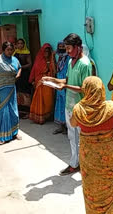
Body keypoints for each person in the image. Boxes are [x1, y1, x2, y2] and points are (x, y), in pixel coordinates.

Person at [70, 76, 113, 213]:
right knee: (110, 188)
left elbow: (73, 123)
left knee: (91, 189)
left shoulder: (79, 110)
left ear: (86, 90)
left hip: (88, 156)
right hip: (109, 154)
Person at [43, 33, 92, 175]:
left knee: (82, 138)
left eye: (69, 48)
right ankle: (74, 163)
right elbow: (67, 80)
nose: (67, 51)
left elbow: (84, 88)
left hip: (80, 107)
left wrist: (65, 87)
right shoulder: (71, 62)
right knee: (72, 137)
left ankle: (85, 165)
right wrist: (51, 80)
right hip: (69, 105)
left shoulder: (85, 64)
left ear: (77, 47)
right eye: (66, 48)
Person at [0, 41, 22, 145]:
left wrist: (18, 74)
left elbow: (20, 67)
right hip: (2, 89)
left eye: (11, 50)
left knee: (14, 111)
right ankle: (3, 137)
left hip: (12, 88)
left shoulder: (14, 59)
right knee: (3, 112)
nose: (10, 52)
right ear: (3, 50)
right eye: (8, 50)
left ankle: (15, 132)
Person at [28, 43, 56, 124]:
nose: (46, 52)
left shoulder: (51, 60)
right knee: (40, 100)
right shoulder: (39, 59)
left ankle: (48, 116)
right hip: (39, 82)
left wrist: (52, 59)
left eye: (48, 51)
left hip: (48, 82)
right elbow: (34, 69)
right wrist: (32, 80)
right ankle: (40, 117)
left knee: (48, 100)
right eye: (45, 51)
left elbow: (54, 71)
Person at [53, 41, 69, 134]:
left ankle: (67, 126)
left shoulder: (68, 57)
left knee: (66, 102)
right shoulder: (59, 57)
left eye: (63, 46)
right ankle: (61, 126)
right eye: (60, 46)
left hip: (65, 81)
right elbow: (56, 69)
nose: (62, 47)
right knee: (60, 103)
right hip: (59, 80)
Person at [14, 38, 32, 119]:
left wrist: (21, 67)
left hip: (24, 75)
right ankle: (19, 112)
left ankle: (27, 112)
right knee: (18, 92)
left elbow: (29, 64)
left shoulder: (26, 53)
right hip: (17, 75)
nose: (20, 45)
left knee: (25, 92)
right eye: (18, 43)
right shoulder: (15, 52)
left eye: (21, 43)